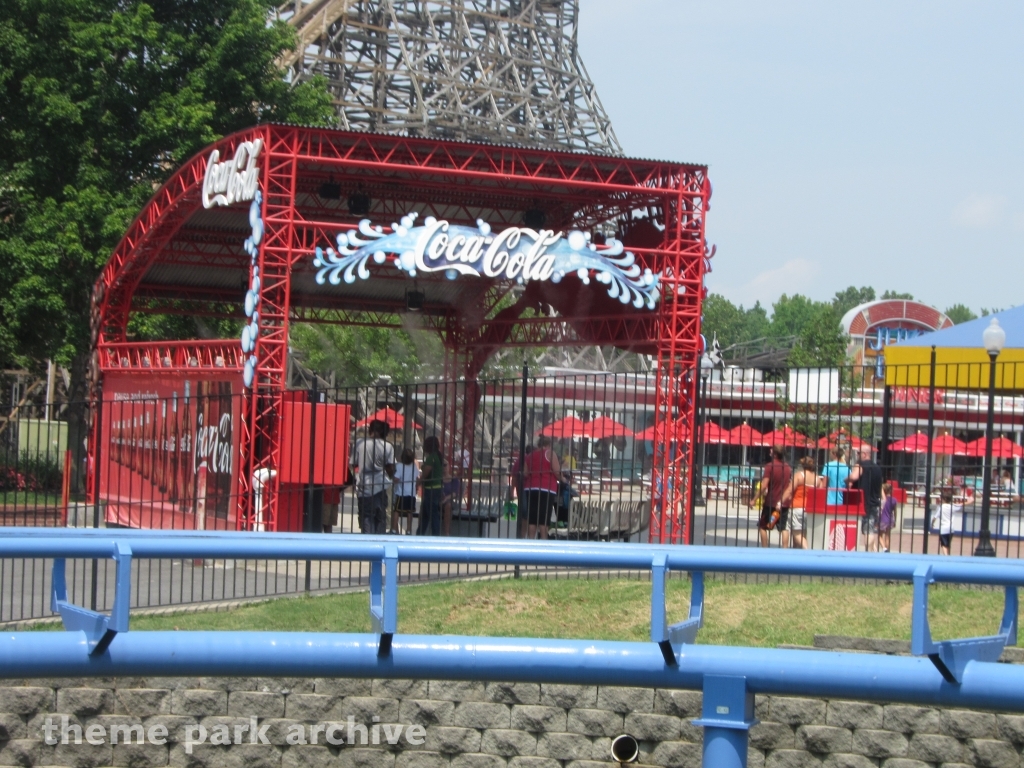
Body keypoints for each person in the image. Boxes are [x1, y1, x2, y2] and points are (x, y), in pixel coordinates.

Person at [351, 420, 395, 535]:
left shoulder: (360, 443)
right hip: (381, 486)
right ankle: (380, 542)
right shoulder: (388, 446)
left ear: (370, 430)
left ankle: (367, 543)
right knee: (380, 517)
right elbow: (390, 468)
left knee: (366, 516)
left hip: (364, 486)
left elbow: (353, 464)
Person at [749, 445, 792, 548]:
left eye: (771, 451)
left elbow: (764, 485)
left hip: (771, 502)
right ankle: (785, 549)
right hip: (783, 503)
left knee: (763, 526)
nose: (770, 452)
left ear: (775, 454)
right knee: (783, 527)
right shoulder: (787, 468)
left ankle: (765, 548)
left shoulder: (770, 466)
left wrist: (754, 499)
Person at [522, 435, 561, 539]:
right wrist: (563, 479)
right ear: (548, 445)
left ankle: (530, 541)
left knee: (532, 519)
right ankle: (544, 542)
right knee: (543, 519)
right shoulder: (550, 454)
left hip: (531, 488)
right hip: (546, 488)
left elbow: (525, 473)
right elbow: (557, 471)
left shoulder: (530, 455)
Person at [847, 445, 883, 552]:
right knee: (870, 529)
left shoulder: (860, 465)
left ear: (865, 454)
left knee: (865, 530)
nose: (857, 455)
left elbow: (854, 477)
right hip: (874, 502)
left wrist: (846, 479)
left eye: (858, 453)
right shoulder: (877, 468)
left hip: (862, 502)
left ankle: (869, 551)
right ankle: (872, 550)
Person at [781, 457, 820, 549]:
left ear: (803, 465)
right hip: (809, 508)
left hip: (797, 506)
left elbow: (790, 490)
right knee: (804, 534)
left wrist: (780, 502)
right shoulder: (817, 478)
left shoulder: (799, 475)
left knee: (797, 534)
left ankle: (808, 550)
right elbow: (819, 492)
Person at [417, 436, 444, 535]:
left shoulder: (431, 458)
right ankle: (420, 533)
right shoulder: (438, 456)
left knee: (432, 514)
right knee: (425, 514)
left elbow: (425, 473)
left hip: (431, 489)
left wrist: (418, 482)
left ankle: (435, 535)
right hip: (436, 488)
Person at [391, 448, 418, 535]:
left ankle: (394, 529)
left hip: (401, 493)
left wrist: (392, 479)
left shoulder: (399, 466)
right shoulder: (414, 466)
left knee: (396, 511)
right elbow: (417, 477)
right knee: (409, 512)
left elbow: (396, 478)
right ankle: (409, 530)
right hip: (411, 493)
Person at [930, 485, 961, 556]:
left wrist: (932, 524)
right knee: (948, 544)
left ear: (943, 499)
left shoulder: (941, 507)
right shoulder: (952, 507)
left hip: (943, 528)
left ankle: (946, 556)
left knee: (943, 544)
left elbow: (935, 517)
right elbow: (960, 506)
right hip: (951, 528)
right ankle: (948, 555)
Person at [879, 482, 898, 553]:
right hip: (890, 519)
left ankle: (884, 548)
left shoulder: (882, 500)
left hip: (883, 519)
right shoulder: (894, 500)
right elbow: (895, 511)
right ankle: (887, 549)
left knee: (880, 535)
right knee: (887, 535)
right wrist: (895, 520)